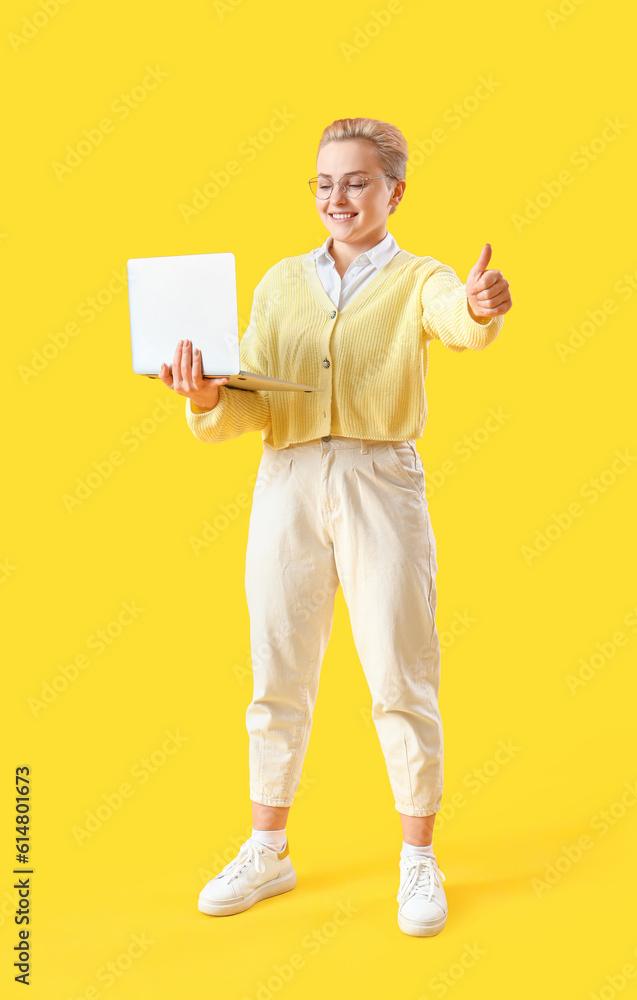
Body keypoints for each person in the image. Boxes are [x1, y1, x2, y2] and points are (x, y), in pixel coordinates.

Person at [158, 117, 512, 937]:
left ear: (393, 190)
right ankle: (267, 848)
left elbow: (458, 322)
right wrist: (205, 398)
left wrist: (479, 304)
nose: (337, 197)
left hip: (378, 480)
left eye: (355, 181)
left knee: (399, 671)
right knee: (276, 670)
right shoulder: (281, 282)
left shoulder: (419, 277)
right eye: (324, 182)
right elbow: (248, 395)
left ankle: (417, 858)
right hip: (284, 479)